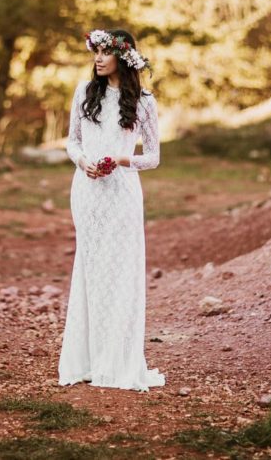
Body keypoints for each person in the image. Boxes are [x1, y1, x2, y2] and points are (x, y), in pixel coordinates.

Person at [57, 28, 166, 392]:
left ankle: (116, 362)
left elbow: (153, 157)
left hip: (122, 194)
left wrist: (122, 159)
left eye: (106, 52)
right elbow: (72, 141)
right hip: (87, 192)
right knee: (91, 271)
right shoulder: (84, 92)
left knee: (120, 274)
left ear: (124, 57)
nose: (98, 58)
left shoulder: (144, 102)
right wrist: (83, 161)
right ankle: (87, 361)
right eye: (96, 51)